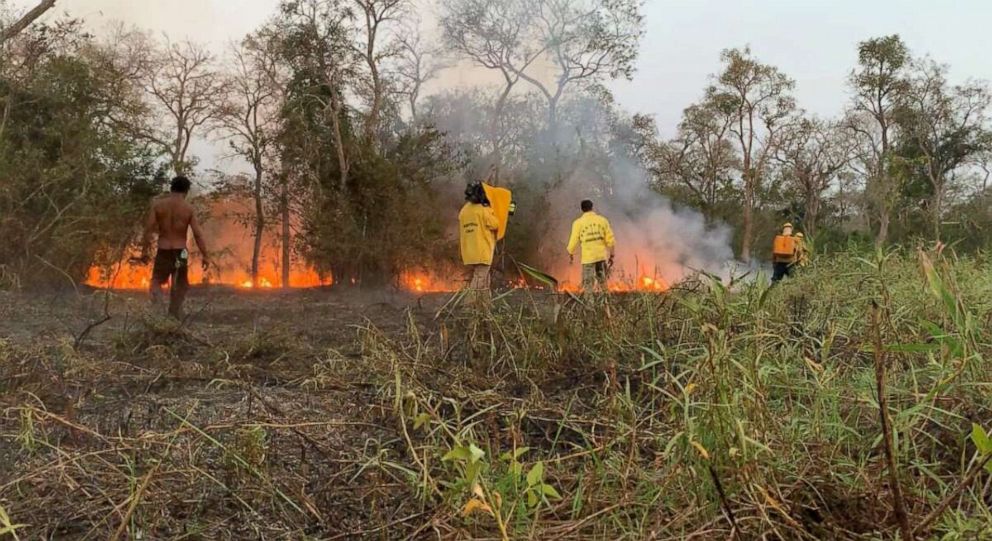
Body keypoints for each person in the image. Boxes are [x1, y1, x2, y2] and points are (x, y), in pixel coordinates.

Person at [139, 175, 210, 320]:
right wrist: (205, 255)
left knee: (157, 281)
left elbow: (148, 230)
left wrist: (144, 252)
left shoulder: (158, 206)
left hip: (163, 250)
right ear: (186, 191)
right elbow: (198, 234)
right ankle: (174, 313)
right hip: (181, 252)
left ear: (171, 188)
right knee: (181, 283)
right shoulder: (188, 209)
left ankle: (158, 307)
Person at [459, 181, 499, 305]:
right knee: (479, 279)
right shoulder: (483, 210)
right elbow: (495, 224)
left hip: (469, 251)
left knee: (485, 280)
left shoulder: (464, 210)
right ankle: (467, 307)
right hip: (482, 251)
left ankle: (485, 309)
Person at [567, 200, 616, 291]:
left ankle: (590, 304)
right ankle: (606, 303)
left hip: (588, 258)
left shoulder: (578, 223)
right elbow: (611, 240)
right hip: (601, 257)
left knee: (588, 284)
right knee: (603, 282)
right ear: (592, 207)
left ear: (582, 209)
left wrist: (570, 252)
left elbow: (573, 241)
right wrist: (612, 255)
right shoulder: (602, 220)